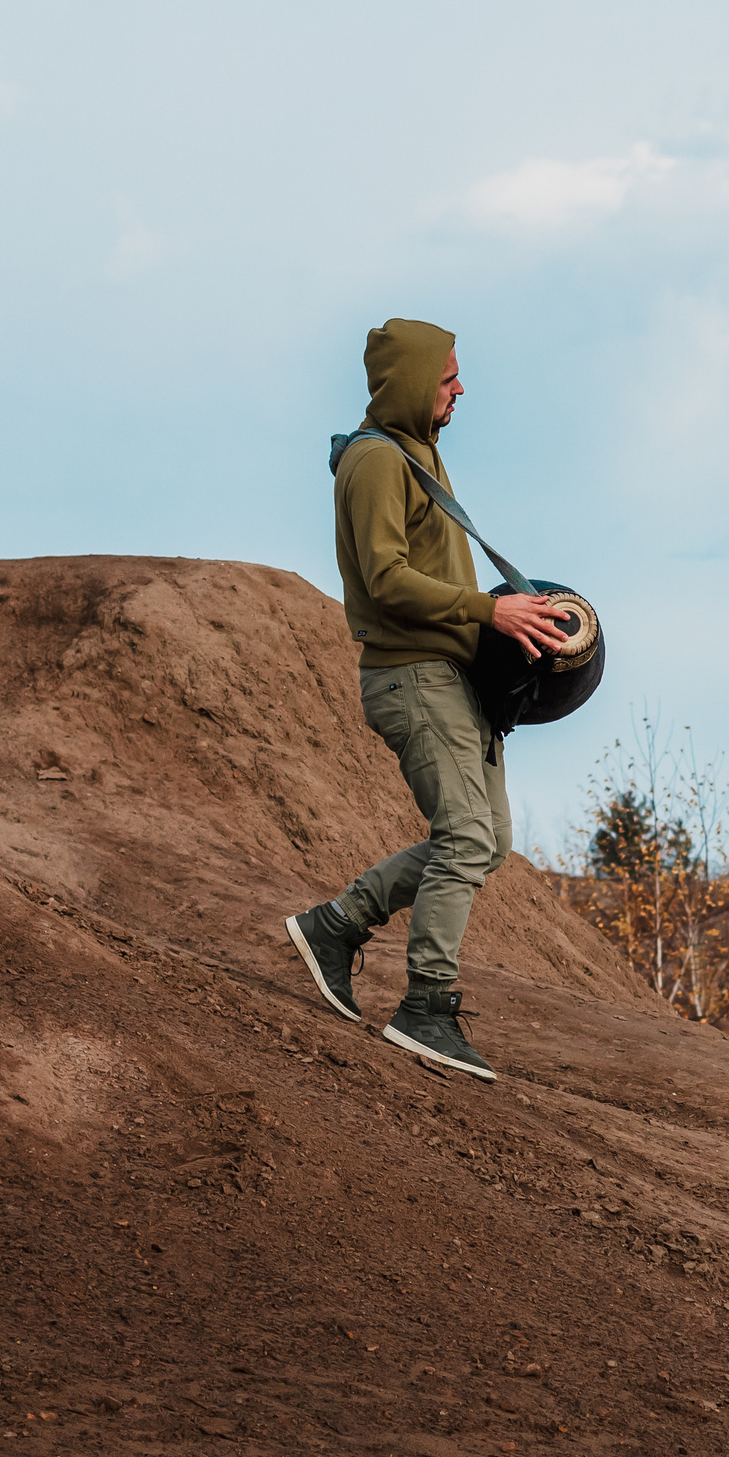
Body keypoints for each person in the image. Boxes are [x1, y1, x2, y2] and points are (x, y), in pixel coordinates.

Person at [281, 319, 567, 1081]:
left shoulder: (418, 454)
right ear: (411, 382)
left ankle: (336, 926)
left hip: (450, 675)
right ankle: (426, 1007)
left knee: (487, 839)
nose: (460, 389)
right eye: (447, 377)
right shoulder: (375, 462)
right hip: (411, 674)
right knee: (465, 835)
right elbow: (384, 579)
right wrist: (488, 611)